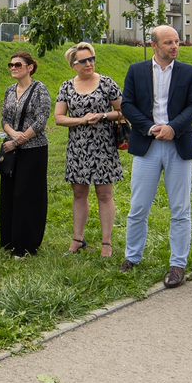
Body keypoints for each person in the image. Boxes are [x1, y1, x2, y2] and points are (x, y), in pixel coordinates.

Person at [121, 25, 192, 288]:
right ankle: (132, 257)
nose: (175, 46)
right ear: (154, 45)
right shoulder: (137, 71)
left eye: (177, 42)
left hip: (178, 145)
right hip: (147, 144)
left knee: (180, 208)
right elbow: (127, 105)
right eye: (168, 42)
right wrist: (149, 127)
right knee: (138, 207)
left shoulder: (189, 73)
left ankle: (178, 264)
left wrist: (173, 127)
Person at [55, 42, 124, 257]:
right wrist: (81, 120)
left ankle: (106, 243)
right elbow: (59, 118)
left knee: (104, 194)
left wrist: (102, 116)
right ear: (73, 65)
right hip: (78, 147)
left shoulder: (107, 84)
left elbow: (124, 111)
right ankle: (78, 239)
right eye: (83, 61)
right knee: (79, 193)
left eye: (91, 59)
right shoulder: (67, 87)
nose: (89, 63)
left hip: (103, 146)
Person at [0, 50, 50, 256]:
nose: (13, 68)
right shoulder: (10, 90)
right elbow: (5, 119)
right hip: (11, 149)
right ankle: (10, 240)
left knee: (28, 195)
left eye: (18, 65)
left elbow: (42, 119)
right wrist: (12, 136)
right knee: (9, 194)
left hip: (34, 149)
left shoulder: (40, 89)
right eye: (11, 65)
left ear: (30, 67)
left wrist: (19, 140)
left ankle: (27, 243)